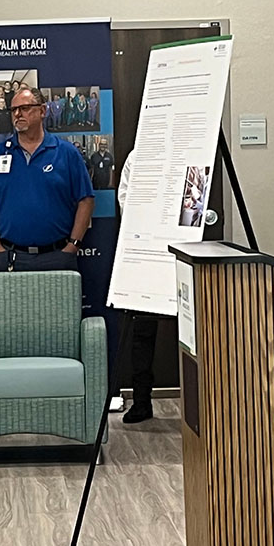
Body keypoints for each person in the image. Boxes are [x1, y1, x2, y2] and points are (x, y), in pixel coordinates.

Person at [0, 87, 94, 272]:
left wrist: (73, 246)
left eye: (24, 108)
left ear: (42, 111)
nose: (17, 114)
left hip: (58, 256)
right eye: (14, 110)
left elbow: (86, 199)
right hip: (11, 258)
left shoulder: (66, 153)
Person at [116, 149, 157, 423]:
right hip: (146, 250)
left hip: (184, 249)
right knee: (142, 331)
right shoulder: (137, 157)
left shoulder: (192, 150)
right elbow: (125, 202)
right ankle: (142, 401)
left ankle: (201, 404)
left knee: (192, 332)